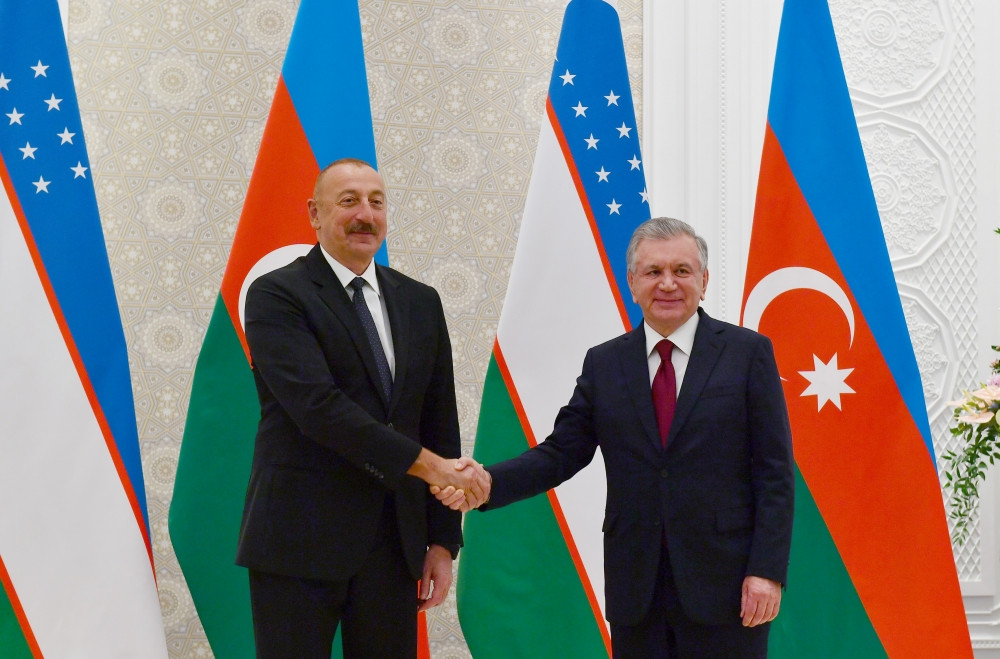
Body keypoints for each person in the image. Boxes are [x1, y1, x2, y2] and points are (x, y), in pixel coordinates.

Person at [437, 217, 794, 658]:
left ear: (703, 281)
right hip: (636, 588)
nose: (668, 283)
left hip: (726, 586)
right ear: (632, 282)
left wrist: (767, 571)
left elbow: (774, 474)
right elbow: (563, 451)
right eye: (653, 272)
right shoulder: (606, 363)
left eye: (681, 271)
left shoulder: (747, 353)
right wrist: (488, 482)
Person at [235, 158, 490, 658]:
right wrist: (436, 468)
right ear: (314, 213)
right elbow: (317, 408)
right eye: (348, 201)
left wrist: (443, 540)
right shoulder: (276, 294)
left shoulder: (421, 301)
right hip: (297, 540)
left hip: (394, 545)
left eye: (376, 201)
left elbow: (438, 417)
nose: (365, 215)